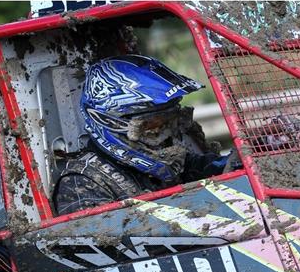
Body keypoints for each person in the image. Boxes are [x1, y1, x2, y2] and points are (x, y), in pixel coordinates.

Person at [53, 55, 232, 215]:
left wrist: (237, 162)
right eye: (154, 125)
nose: (165, 134)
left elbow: (207, 167)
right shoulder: (81, 183)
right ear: (112, 122)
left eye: (170, 121)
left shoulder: (169, 158)